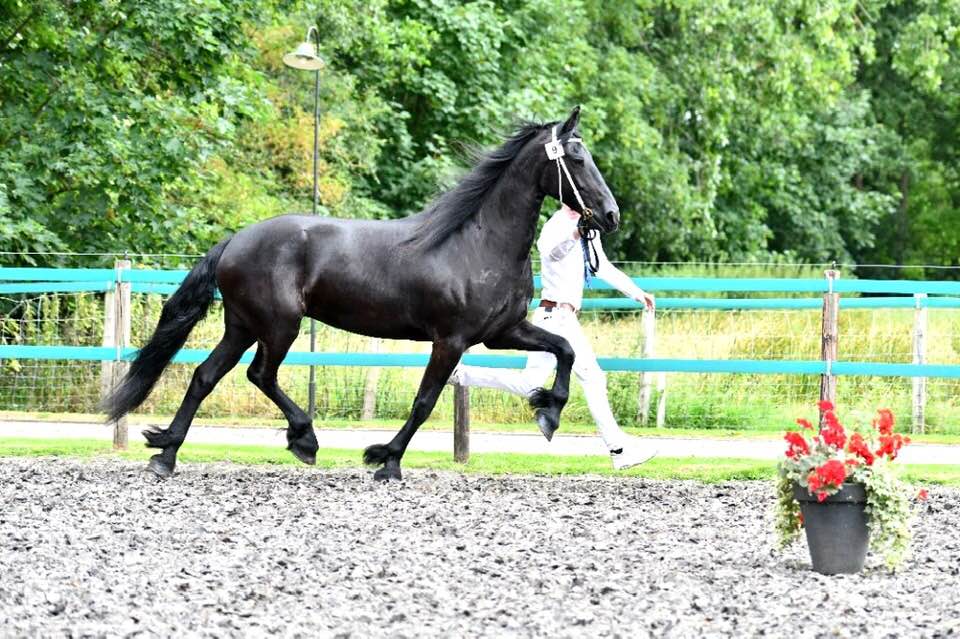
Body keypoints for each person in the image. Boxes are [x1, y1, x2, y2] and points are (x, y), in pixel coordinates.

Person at [450, 203, 658, 470]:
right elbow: (552, 252)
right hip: (554, 317)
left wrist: (636, 292)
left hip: (564, 318)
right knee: (593, 378)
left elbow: (602, 267)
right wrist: (575, 233)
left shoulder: (588, 230)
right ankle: (618, 449)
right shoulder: (555, 226)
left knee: (530, 383)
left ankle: (458, 374)